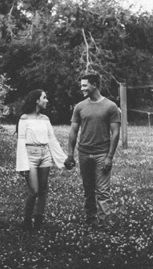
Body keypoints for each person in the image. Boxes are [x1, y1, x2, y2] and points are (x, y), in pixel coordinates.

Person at [65, 73, 121, 229]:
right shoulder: (80, 107)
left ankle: (104, 223)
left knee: (103, 191)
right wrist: (70, 154)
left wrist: (110, 156)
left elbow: (115, 133)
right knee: (88, 189)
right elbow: (73, 132)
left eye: (84, 85)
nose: (81, 88)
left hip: (102, 153)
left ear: (94, 85)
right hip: (83, 153)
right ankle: (91, 220)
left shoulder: (110, 107)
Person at [15, 89, 69, 231]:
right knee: (34, 190)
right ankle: (27, 220)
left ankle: (38, 220)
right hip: (30, 155)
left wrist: (64, 159)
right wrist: (21, 165)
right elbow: (20, 141)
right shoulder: (24, 119)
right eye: (44, 98)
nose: (47, 100)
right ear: (36, 101)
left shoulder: (45, 119)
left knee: (43, 190)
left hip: (45, 155)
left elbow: (52, 139)